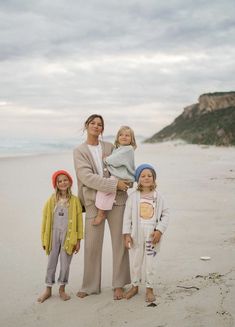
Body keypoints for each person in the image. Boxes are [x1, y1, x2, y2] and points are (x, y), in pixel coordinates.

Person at [73, 114, 131, 300]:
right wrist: (114, 185)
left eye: (100, 124)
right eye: (93, 123)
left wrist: (126, 182)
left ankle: (119, 285)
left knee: (119, 243)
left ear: (102, 129)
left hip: (117, 200)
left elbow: (124, 165)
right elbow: (86, 177)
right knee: (92, 246)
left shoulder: (110, 147)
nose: (96, 126)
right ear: (87, 126)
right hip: (92, 201)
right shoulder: (79, 151)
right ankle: (90, 285)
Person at [122, 164, 169, 302]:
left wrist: (159, 230)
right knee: (136, 261)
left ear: (154, 178)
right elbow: (127, 217)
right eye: (143, 176)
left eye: (149, 176)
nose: (146, 178)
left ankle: (149, 288)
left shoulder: (158, 196)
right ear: (138, 179)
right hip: (137, 233)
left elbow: (166, 214)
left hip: (152, 235)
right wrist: (127, 234)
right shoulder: (133, 197)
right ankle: (135, 285)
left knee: (150, 262)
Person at [37, 170, 83, 303]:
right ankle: (48, 289)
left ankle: (62, 288)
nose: (63, 183)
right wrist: (44, 239)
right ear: (55, 184)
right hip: (53, 236)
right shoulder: (51, 201)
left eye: (65, 180)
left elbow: (79, 221)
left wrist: (78, 240)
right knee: (51, 263)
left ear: (69, 182)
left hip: (68, 237)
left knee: (65, 264)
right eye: (59, 181)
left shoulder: (75, 201)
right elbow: (45, 221)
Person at [92, 125, 137, 226]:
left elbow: (115, 160)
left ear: (131, 139)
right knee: (110, 193)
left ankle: (101, 213)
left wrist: (106, 159)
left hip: (121, 176)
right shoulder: (120, 149)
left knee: (103, 190)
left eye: (127, 135)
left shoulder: (128, 149)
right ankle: (104, 209)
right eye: (121, 135)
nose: (124, 137)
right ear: (117, 137)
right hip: (119, 175)